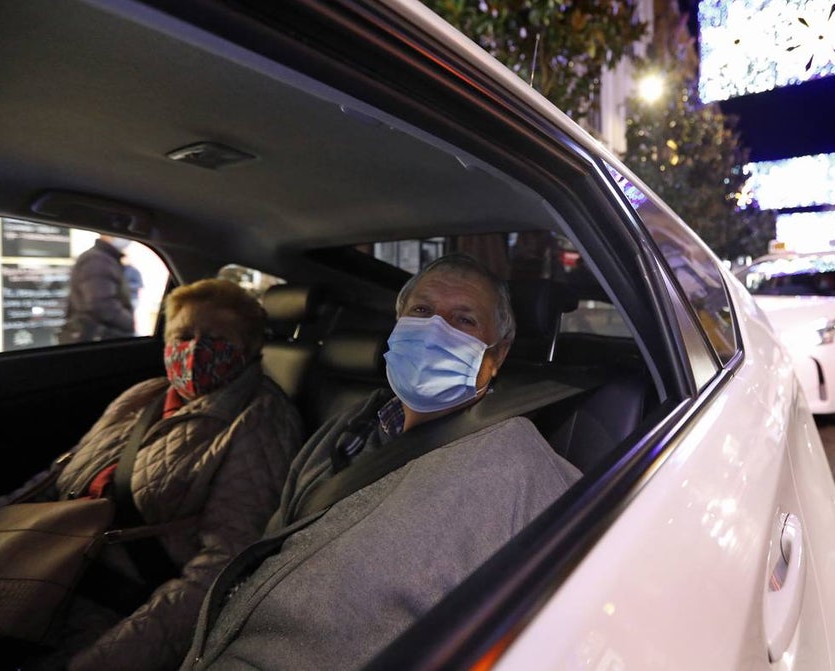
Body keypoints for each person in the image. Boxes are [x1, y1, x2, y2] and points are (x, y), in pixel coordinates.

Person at [181, 254, 582, 671]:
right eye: (422, 311)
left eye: (464, 320)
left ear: (496, 355)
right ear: (398, 324)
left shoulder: (518, 464)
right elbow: (271, 545)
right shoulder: (343, 432)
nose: (433, 330)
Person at [0, 278, 305, 671]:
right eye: (184, 334)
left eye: (216, 338)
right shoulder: (144, 396)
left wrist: (102, 661)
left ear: (249, 349)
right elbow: (55, 481)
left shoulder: (259, 421)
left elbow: (222, 568)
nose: (195, 349)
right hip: (48, 566)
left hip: (118, 606)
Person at [58, 235, 136, 343]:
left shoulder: (104, 258)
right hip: (100, 337)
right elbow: (101, 304)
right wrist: (129, 323)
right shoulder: (98, 260)